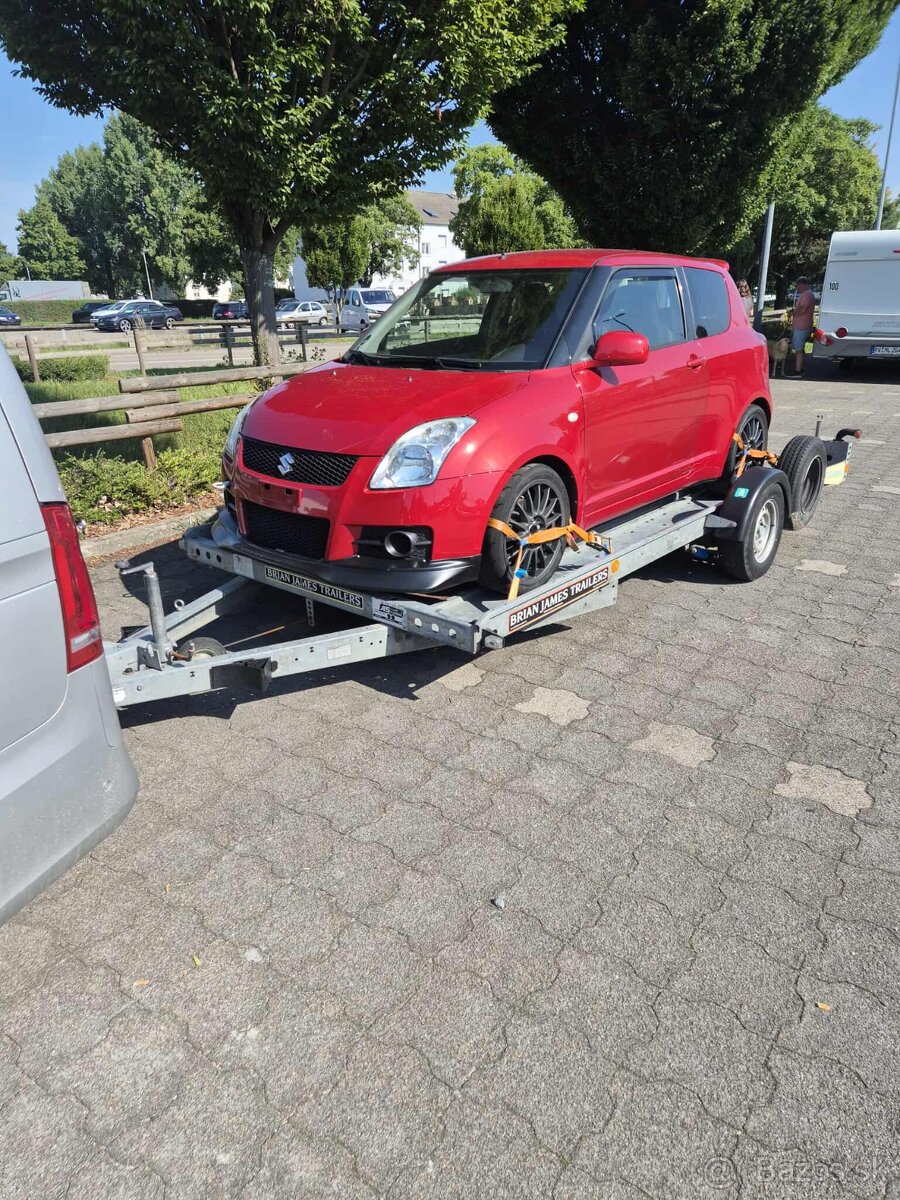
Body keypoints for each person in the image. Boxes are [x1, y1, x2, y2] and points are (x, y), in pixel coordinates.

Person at [790, 276, 815, 377]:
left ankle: (798, 370)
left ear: (802, 284)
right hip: (803, 324)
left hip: (801, 325)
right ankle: (799, 367)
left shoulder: (806, 295)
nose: (797, 288)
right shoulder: (808, 294)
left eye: (797, 286)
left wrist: (793, 313)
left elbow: (803, 309)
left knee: (798, 348)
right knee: (800, 348)